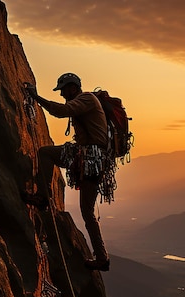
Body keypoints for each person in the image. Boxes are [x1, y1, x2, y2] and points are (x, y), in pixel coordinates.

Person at [23, 73, 110, 271]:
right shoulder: (85, 101)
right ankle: (102, 258)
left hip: (90, 157)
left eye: (63, 90)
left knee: (45, 153)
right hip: (94, 159)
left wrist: (36, 97)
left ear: (72, 87)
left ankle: (43, 198)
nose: (62, 94)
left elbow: (61, 111)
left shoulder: (86, 99)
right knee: (87, 211)